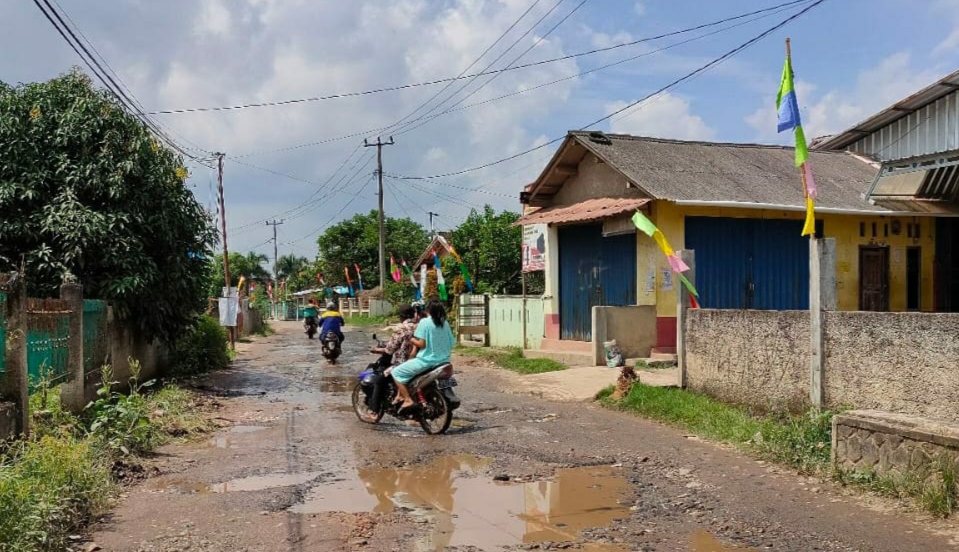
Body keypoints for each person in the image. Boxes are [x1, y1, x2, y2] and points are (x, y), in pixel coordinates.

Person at [390, 296, 454, 411]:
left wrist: (412, 339)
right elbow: (451, 342)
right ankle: (401, 395)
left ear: (427, 309)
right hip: (444, 361)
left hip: (426, 361)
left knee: (396, 373)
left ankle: (407, 399)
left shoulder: (425, 322)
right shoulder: (445, 323)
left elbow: (421, 344)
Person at [363, 305, 418, 421]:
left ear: (401, 316)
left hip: (401, 364)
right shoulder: (420, 326)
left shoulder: (402, 329)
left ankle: (374, 411)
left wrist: (376, 350)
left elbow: (390, 349)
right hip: (419, 362)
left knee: (379, 380)